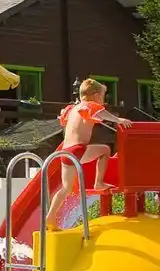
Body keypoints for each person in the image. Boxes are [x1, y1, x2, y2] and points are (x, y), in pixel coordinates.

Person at [46, 78, 124, 229]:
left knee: (66, 188)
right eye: (102, 96)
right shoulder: (91, 105)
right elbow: (102, 113)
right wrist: (118, 120)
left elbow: (65, 121)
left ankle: (50, 216)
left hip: (65, 152)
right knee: (105, 150)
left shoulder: (72, 109)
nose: (103, 100)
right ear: (95, 96)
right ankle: (98, 182)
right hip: (78, 150)